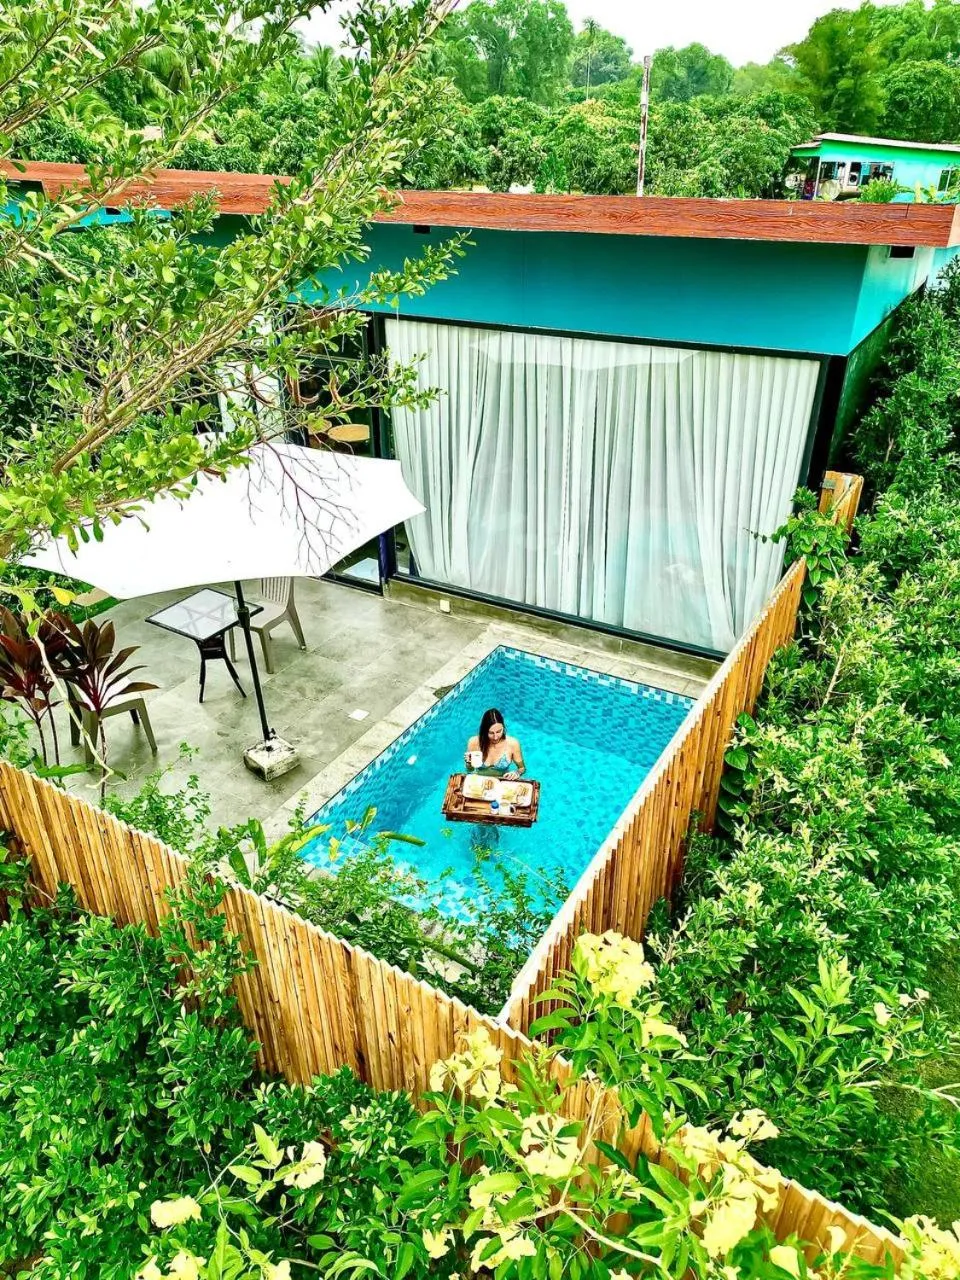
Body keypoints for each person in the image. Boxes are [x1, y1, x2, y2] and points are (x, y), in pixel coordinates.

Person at [465, 708, 525, 779]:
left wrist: (516, 773)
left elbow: (522, 768)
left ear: (503, 727)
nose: (495, 737)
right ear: (484, 731)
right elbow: (470, 770)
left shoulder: (513, 743)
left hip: (503, 783)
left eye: (499, 731)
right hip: (480, 782)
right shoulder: (474, 742)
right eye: (491, 733)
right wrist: (468, 763)